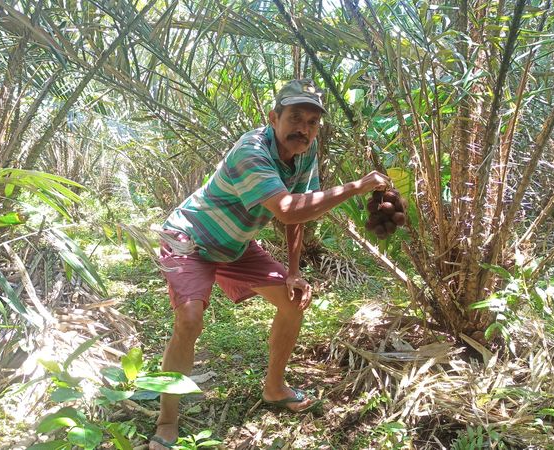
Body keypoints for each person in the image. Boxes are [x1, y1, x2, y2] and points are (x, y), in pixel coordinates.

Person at [149, 79, 389, 449]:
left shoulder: (305, 152)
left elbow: (300, 208)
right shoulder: (251, 151)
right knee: (189, 320)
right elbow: (287, 210)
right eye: (295, 117)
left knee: (293, 303)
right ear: (273, 117)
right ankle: (167, 421)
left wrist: (293, 271)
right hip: (191, 238)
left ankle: (275, 389)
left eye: (312, 122)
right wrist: (355, 187)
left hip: (237, 243)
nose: (304, 128)